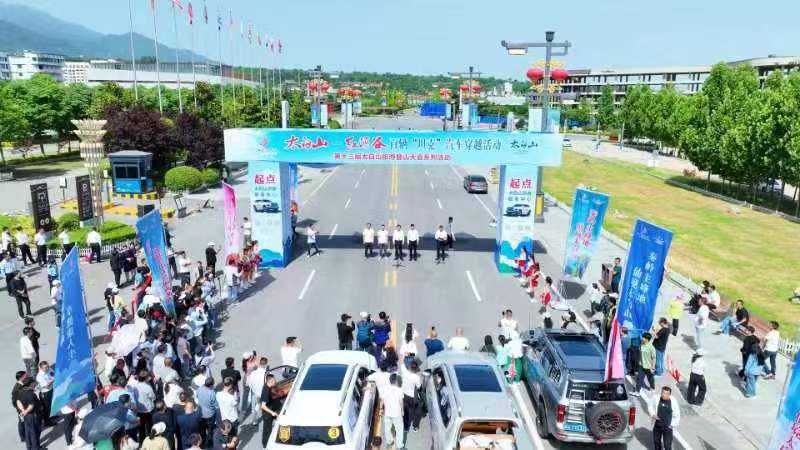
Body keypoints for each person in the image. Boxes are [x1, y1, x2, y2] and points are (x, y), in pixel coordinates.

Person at [16, 377, 43, 450]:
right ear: (30, 384)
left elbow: (18, 401)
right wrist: (26, 411)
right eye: (34, 383)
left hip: (26, 416)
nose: (35, 384)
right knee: (35, 432)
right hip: (33, 415)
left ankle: (29, 447)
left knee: (28, 432)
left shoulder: (20, 391)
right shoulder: (31, 394)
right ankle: (35, 447)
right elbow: (31, 405)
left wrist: (23, 411)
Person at [382, 373, 405, 449]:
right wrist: (402, 410)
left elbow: (382, 400)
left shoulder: (385, 389)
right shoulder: (399, 390)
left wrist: (382, 409)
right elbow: (401, 402)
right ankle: (399, 445)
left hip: (387, 412)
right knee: (399, 429)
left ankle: (389, 441)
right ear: (396, 381)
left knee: (387, 428)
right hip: (396, 413)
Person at [400, 360, 422, 433]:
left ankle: (405, 427)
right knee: (411, 411)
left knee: (404, 411)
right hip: (411, 397)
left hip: (403, 395)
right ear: (415, 370)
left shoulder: (404, 371)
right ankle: (413, 426)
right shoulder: (416, 377)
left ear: (409, 367)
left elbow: (402, 362)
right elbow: (419, 387)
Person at [195, 376, 218, 445]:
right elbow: (215, 405)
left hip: (201, 413)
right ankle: (210, 443)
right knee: (210, 429)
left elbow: (197, 396)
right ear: (211, 385)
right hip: (209, 415)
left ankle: (203, 442)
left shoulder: (199, 388)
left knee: (202, 430)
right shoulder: (212, 393)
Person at [246, 357, 268, 426]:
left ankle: (254, 420)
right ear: (265, 364)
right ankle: (264, 417)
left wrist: (253, 389)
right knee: (263, 406)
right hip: (263, 393)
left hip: (255, 393)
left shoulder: (253, 373)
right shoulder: (266, 374)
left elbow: (249, 383)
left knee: (254, 407)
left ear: (260, 363)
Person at [260, 374, 281, 448]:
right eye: (274, 380)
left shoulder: (268, 387)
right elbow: (263, 406)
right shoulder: (266, 391)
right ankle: (265, 446)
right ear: (271, 381)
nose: (275, 381)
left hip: (270, 412)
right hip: (267, 415)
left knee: (268, 430)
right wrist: (272, 413)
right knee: (267, 431)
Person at [35, 361, 55, 427]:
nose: (47, 368)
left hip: (51, 390)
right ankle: (47, 422)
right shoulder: (39, 376)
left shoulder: (49, 369)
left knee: (51, 405)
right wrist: (53, 380)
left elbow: (53, 375)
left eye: (47, 366)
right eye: (45, 367)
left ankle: (51, 416)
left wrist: (53, 380)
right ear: (41, 368)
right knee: (46, 408)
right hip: (45, 393)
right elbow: (46, 386)